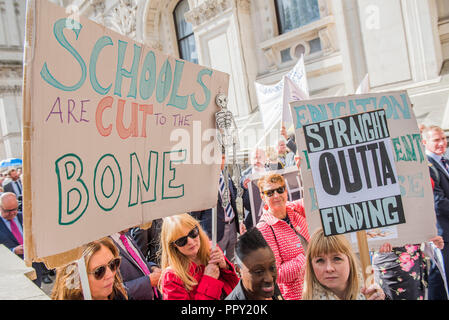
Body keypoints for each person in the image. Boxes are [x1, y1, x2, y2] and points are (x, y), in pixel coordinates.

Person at [159, 213, 239, 300]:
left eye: (193, 233)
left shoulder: (211, 249)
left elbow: (234, 287)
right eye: (181, 240)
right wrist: (209, 281)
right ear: (173, 245)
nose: (190, 241)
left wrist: (225, 267)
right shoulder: (171, 277)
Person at [255, 173, 309, 300]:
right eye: (270, 192)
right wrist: (308, 258)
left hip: (317, 287)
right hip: (296, 296)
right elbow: (275, 273)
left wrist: (303, 168)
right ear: (262, 196)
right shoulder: (264, 228)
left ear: (286, 191)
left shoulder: (294, 209)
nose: (276, 196)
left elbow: (313, 198)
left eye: (280, 190)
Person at [303, 228, 385, 300]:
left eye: (336, 258)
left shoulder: (369, 290)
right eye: (320, 260)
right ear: (311, 265)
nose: (329, 268)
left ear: (350, 260)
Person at [190, 153, 241, 262]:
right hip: (215, 230)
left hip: (232, 226)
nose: (220, 161)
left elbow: (233, 194)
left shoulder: (226, 175)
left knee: (231, 260)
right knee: (215, 262)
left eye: (223, 158)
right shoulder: (202, 181)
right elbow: (194, 214)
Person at [51, 237, 128, 300]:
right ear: (75, 279)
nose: (110, 275)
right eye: (99, 271)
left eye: (113, 264)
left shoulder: (117, 293)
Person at [0, 192, 51, 286]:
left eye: (14, 209)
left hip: (33, 266)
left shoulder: (24, 217)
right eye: (8, 210)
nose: (12, 213)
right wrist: (13, 251)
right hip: (12, 270)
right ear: (0, 207)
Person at [422, 125, 449, 299]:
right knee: (440, 276)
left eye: (443, 139)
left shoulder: (444, 161)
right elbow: (438, 202)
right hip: (442, 233)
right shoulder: (427, 166)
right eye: (436, 140)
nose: (441, 143)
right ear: (425, 142)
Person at [226, 227, 283, 300]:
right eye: (259, 272)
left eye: (272, 268)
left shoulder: (268, 287)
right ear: (238, 270)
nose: (269, 279)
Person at [109, 228, 162, 300]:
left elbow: (139, 261)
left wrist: (152, 267)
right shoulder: (105, 245)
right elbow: (112, 292)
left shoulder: (126, 235)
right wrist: (148, 282)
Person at [240, 148, 267, 230]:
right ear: (250, 160)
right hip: (252, 221)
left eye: (259, 157)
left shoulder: (272, 173)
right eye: (254, 158)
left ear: (265, 159)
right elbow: (243, 202)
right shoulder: (244, 176)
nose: (257, 160)